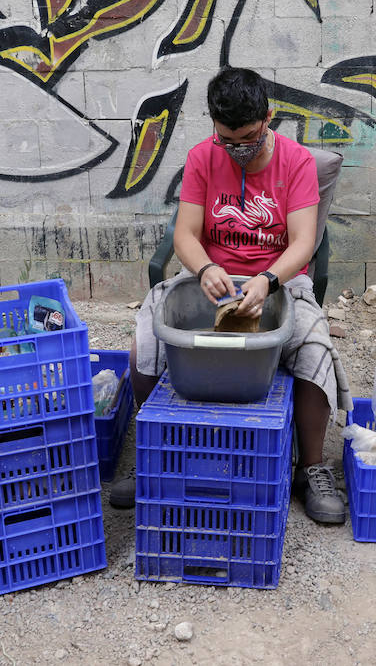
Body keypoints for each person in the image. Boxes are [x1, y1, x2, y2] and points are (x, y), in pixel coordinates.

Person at [108, 67, 350, 524]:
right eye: (228, 139)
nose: (239, 149)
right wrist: (205, 267)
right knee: (146, 340)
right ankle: (154, 456)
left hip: (278, 280)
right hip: (210, 279)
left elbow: (302, 242)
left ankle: (311, 467)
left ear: (268, 119)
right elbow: (185, 233)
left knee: (315, 343)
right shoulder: (203, 158)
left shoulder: (296, 162)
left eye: (249, 138)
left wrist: (268, 280)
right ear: (214, 127)